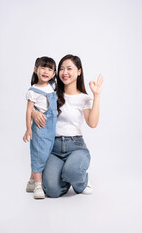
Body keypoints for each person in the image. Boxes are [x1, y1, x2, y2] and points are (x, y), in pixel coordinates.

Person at [29, 54, 104, 198]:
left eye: (69, 68)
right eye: (62, 69)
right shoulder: (51, 93)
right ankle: (69, 175)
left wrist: (97, 96)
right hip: (54, 148)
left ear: (79, 71)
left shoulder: (84, 98)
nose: (65, 73)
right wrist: (33, 113)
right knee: (51, 190)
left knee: (72, 170)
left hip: (76, 146)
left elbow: (92, 123)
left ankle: (80, 180)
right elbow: (33, 103)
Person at [23, 56, 57, 199]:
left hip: (51, 128)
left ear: (54, 74)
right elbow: (29, 110)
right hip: (40, 127)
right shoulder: (34, 90)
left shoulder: (52, 87)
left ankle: (31, 181)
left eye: (50, 69)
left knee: (45, 154)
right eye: (43, 67)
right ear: (35, 70)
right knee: (38, 154)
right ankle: (38, 185)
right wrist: (28, 129)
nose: (46, 71)